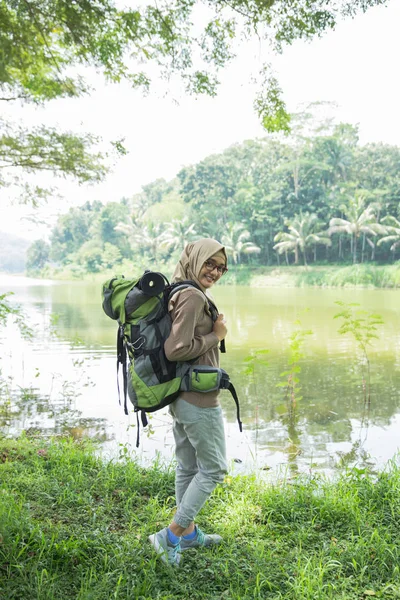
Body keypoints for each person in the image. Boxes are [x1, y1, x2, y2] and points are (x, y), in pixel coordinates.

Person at [148, 238, 229, 566]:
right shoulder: (193, 296)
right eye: (209, 263)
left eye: (221, 267)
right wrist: (216, 336)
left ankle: (191, 535)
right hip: (198, 399)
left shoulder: (180, 290)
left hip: (181, 394)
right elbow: (175, 349)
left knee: (188, 466)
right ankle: (170, 535)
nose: (215, 271)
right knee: (213, 469)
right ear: (195, 259)